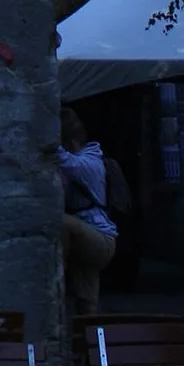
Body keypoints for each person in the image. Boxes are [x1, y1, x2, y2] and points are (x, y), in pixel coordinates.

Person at [57, 108, 117, 318]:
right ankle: (87, 345)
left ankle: (57, 271)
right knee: (87, 304)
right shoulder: (73, 161)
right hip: (83, 236)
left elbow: (70, 163)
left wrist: (48, 140)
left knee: (61, 222)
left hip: (100, 238)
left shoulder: (91, 159)